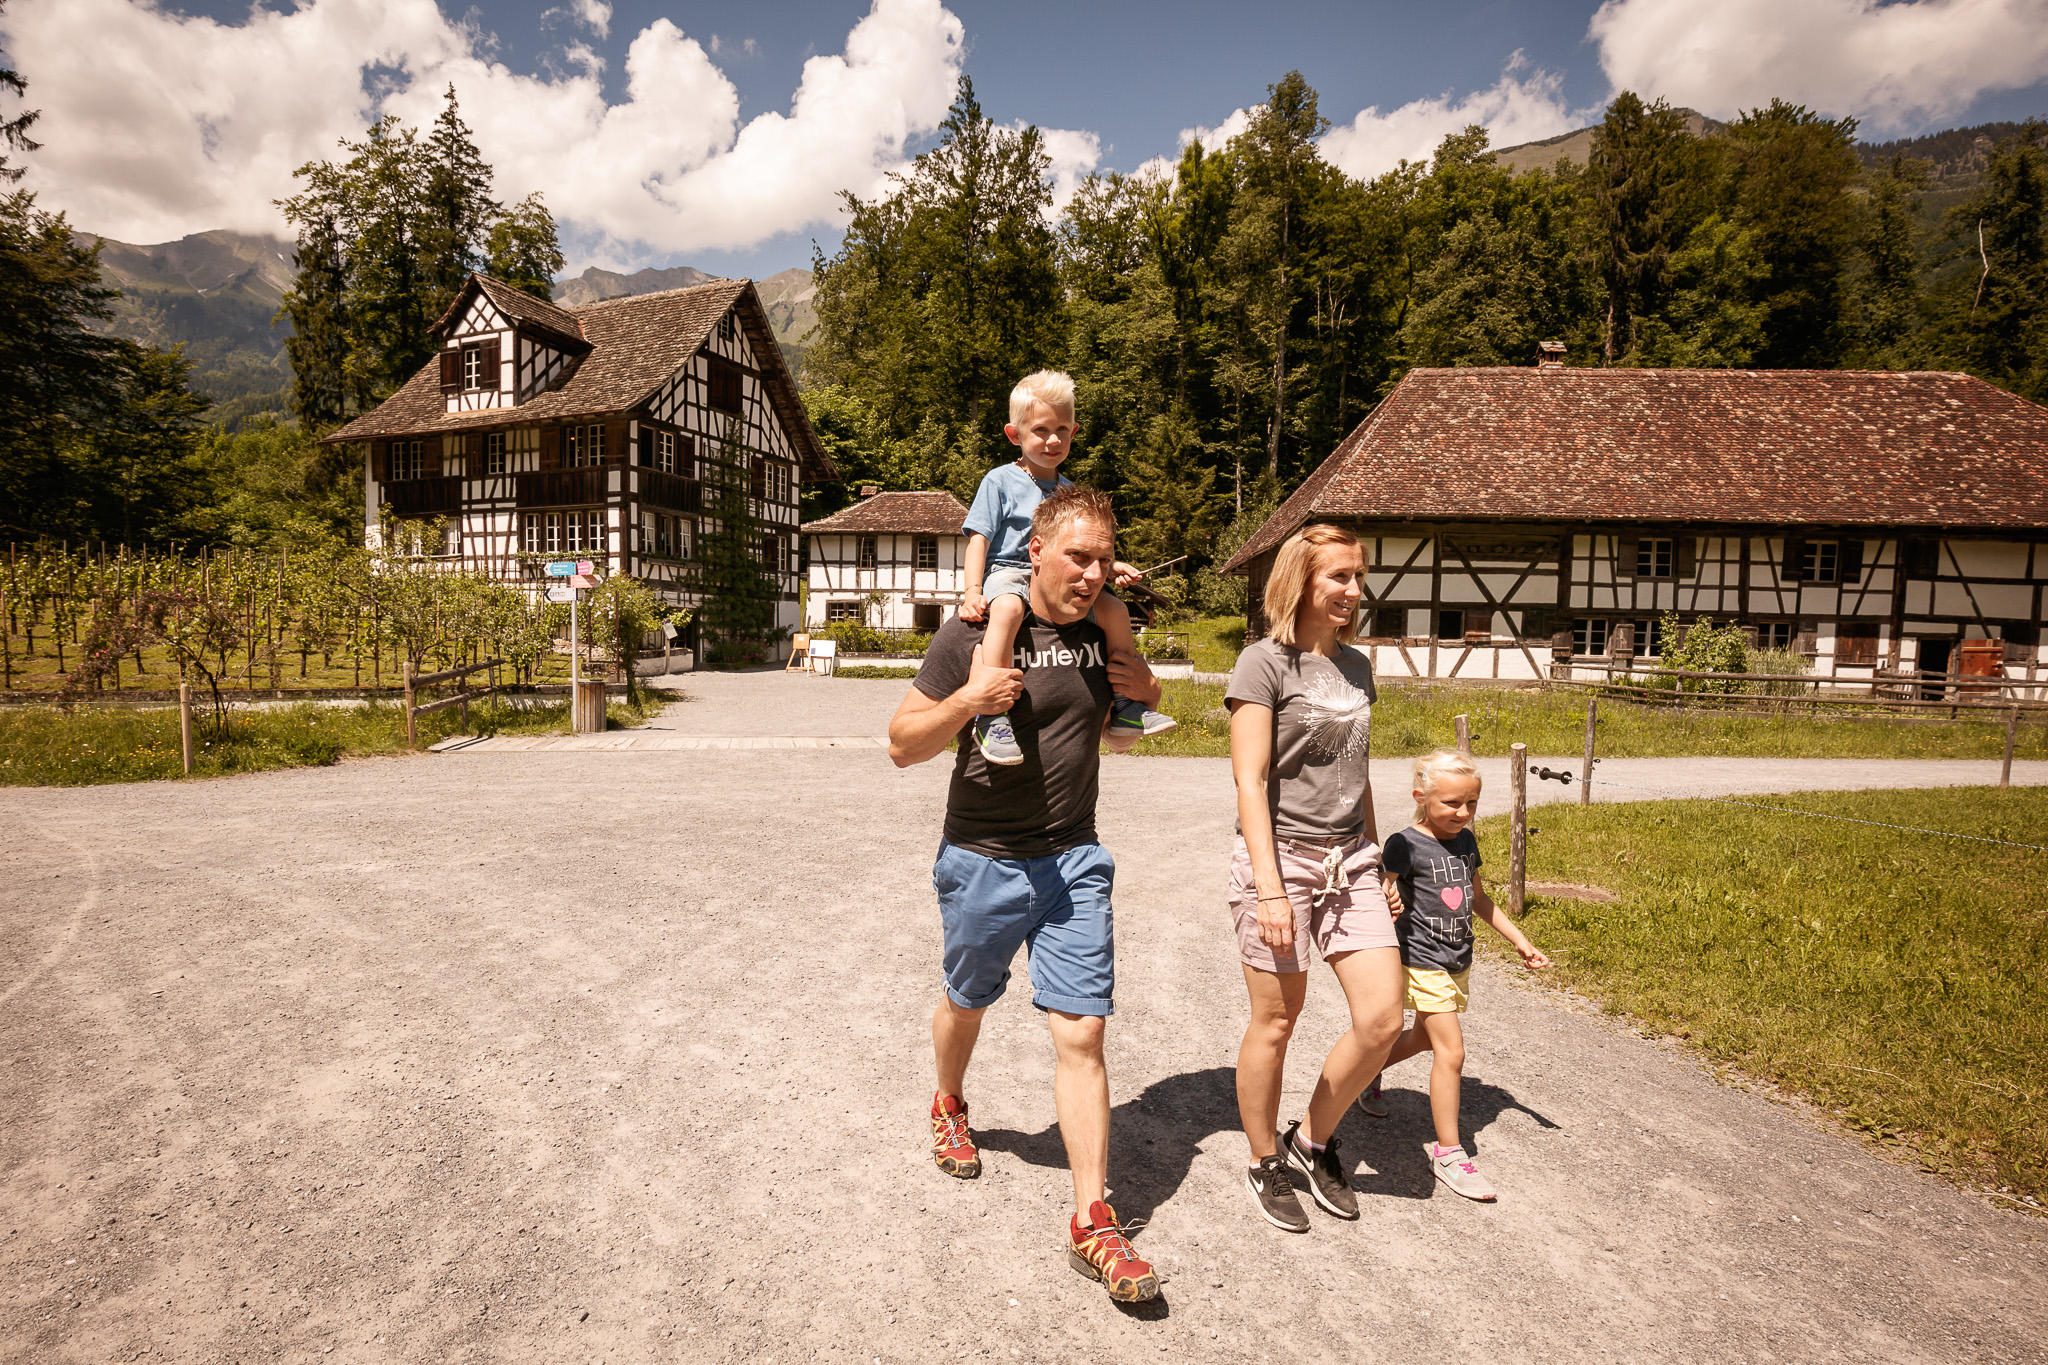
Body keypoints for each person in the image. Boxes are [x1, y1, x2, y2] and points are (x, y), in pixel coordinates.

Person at [887, 484, 1165, 1303]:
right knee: (967, 999)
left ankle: (1093, 1218)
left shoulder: (1104, 632)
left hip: (1074, 858)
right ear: (1035, 550)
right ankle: (949, 1099)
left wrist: (1143, 683)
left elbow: (1137, 712)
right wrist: (970, 700)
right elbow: (902, 745)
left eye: (1104, 560)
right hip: (983, 855)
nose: (1092, 573)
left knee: (1082, 1032)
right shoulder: (973, 631)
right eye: (1079, 556)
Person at [1225, 523, 1406, 1233]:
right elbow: (1250, 782)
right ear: (1302, 580)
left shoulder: (1358, 667)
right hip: (1284, 860)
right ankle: (1265, 1157)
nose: (1354, 590)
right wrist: (1269, 886)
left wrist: (1376, 854)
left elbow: (1356, 773)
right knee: (1277, 1018)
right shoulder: (1262, 664)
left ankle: (1313, 1138)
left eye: (1358, 577)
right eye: (1340, 576)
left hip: (1349, 859)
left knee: (1383, 1018)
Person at [1356, 750, 1550, 1202]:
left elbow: (1479, 900)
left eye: (1471, 804)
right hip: (1419, 958)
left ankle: (1362, 1071)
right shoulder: (1404, 842)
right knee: (1452, 1051)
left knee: (1424, 1039)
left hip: (1456, 957)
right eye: (1451, 804)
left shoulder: (1466, 841)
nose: (1462, 813)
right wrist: (1386, 893)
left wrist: (1520, 941)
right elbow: (1378, 887)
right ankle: (1449, 1153)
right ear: (1421, 797)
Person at [959, 369, 1174, 766]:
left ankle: (1125, 702)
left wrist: (1110, 568)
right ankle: (991, 714)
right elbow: (979, 540)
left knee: (1115, 610)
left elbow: (1077, 551)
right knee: (1006, 609)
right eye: (1041, 430)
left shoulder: (1070, 491)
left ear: (1074, 432)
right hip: (1008, 570)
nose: (1053, 440)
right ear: (1014, 435)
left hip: (1057, 579)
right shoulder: (999, 481)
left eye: (1062, 429)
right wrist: (973, 592)